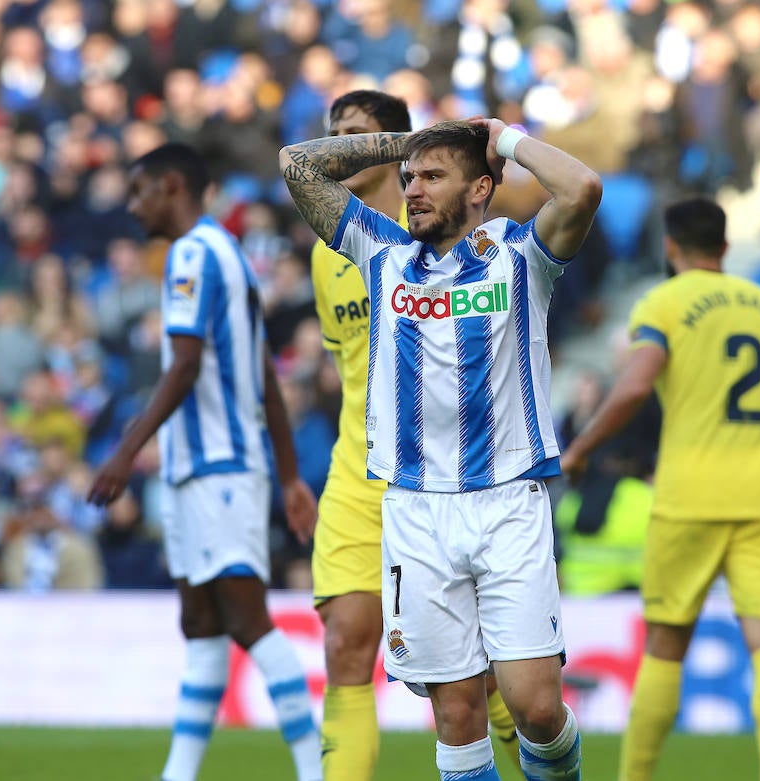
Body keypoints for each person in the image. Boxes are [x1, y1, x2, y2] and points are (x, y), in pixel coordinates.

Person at [281, 116, 602, 781]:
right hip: (415, 511)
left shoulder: (522, 257)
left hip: (508, 502)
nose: (413, 190)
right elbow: (298, 165)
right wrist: (412, 144)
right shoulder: (383, 253)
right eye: (408, 180)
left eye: (433, 177)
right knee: (456, 712)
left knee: (536, 707)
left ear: (481, 187)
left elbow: (582, 188)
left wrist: (501, 136)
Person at [87, 143, 321, 781]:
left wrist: (123, 451)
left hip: (218, 466)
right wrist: (290, 474)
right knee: (199, 623)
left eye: (138, 191)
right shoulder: (228, 255)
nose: (132, 206)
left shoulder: (191, 254)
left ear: (170, 186)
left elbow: (186, 365)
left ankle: (314, 770)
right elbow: (265, 378)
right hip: (204, 468)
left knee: (249, 621)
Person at [307, 91, 522, 780]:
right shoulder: (325, 247)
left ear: (395, 145)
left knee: (470, 681)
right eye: (334, 133)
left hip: (443, 473)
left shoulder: (440, 223)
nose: (342, 144)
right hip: (355, 471)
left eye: (359, 134)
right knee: (345, 647)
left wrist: (417, 150)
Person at [560, 199, 760, 781]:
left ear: (670, 247)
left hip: (689, 494)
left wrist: (580, 449)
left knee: (666, 645)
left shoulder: (662, 303)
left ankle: (634, 777)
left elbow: (635, 385)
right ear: (723, 246)